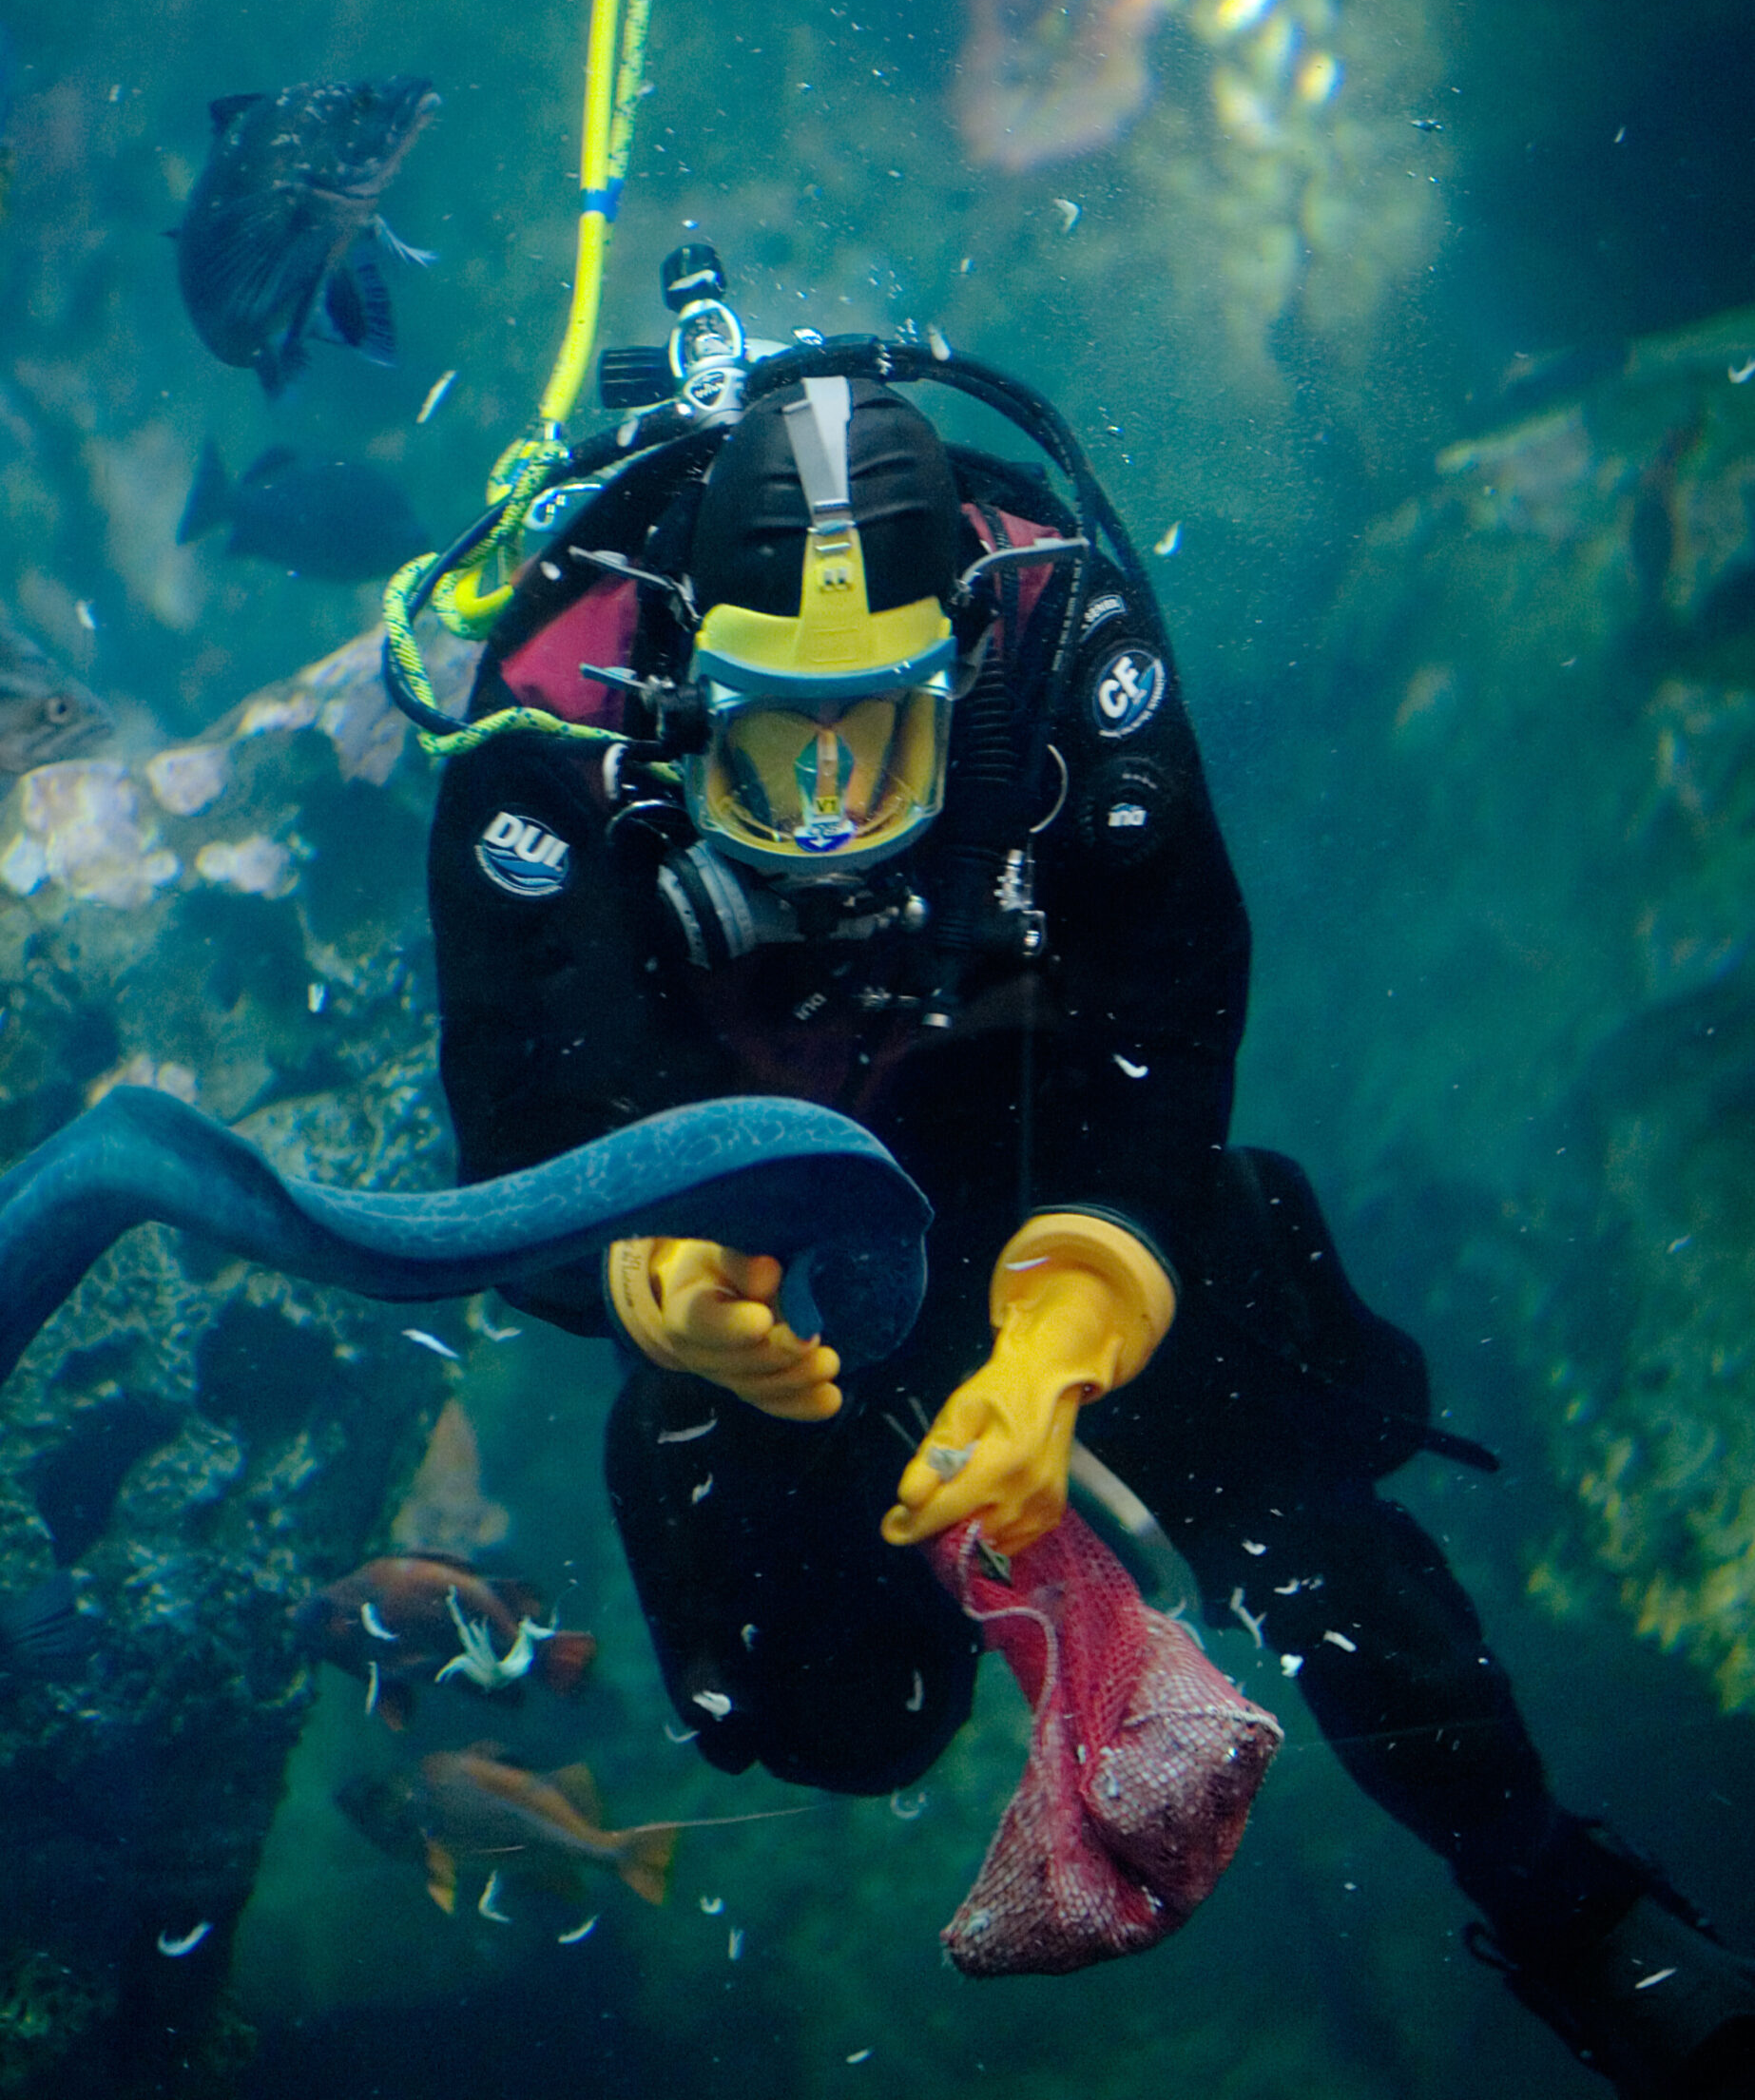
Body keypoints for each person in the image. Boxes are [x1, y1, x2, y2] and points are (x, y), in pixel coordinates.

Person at [421, 310, 1754, 2098]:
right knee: (834, 1729)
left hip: (1033, 1140)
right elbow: (517, 1098)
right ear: (680, 691)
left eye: (873, 735)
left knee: (1292, 1489)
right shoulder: (546, 727)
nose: (825, 808)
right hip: (726, 1213)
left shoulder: (1065, 644)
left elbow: (1172, 982)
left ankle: (1563, 1902)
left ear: (957, 667)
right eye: (772, 744)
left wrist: (1080, 1302)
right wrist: (635, 1260)